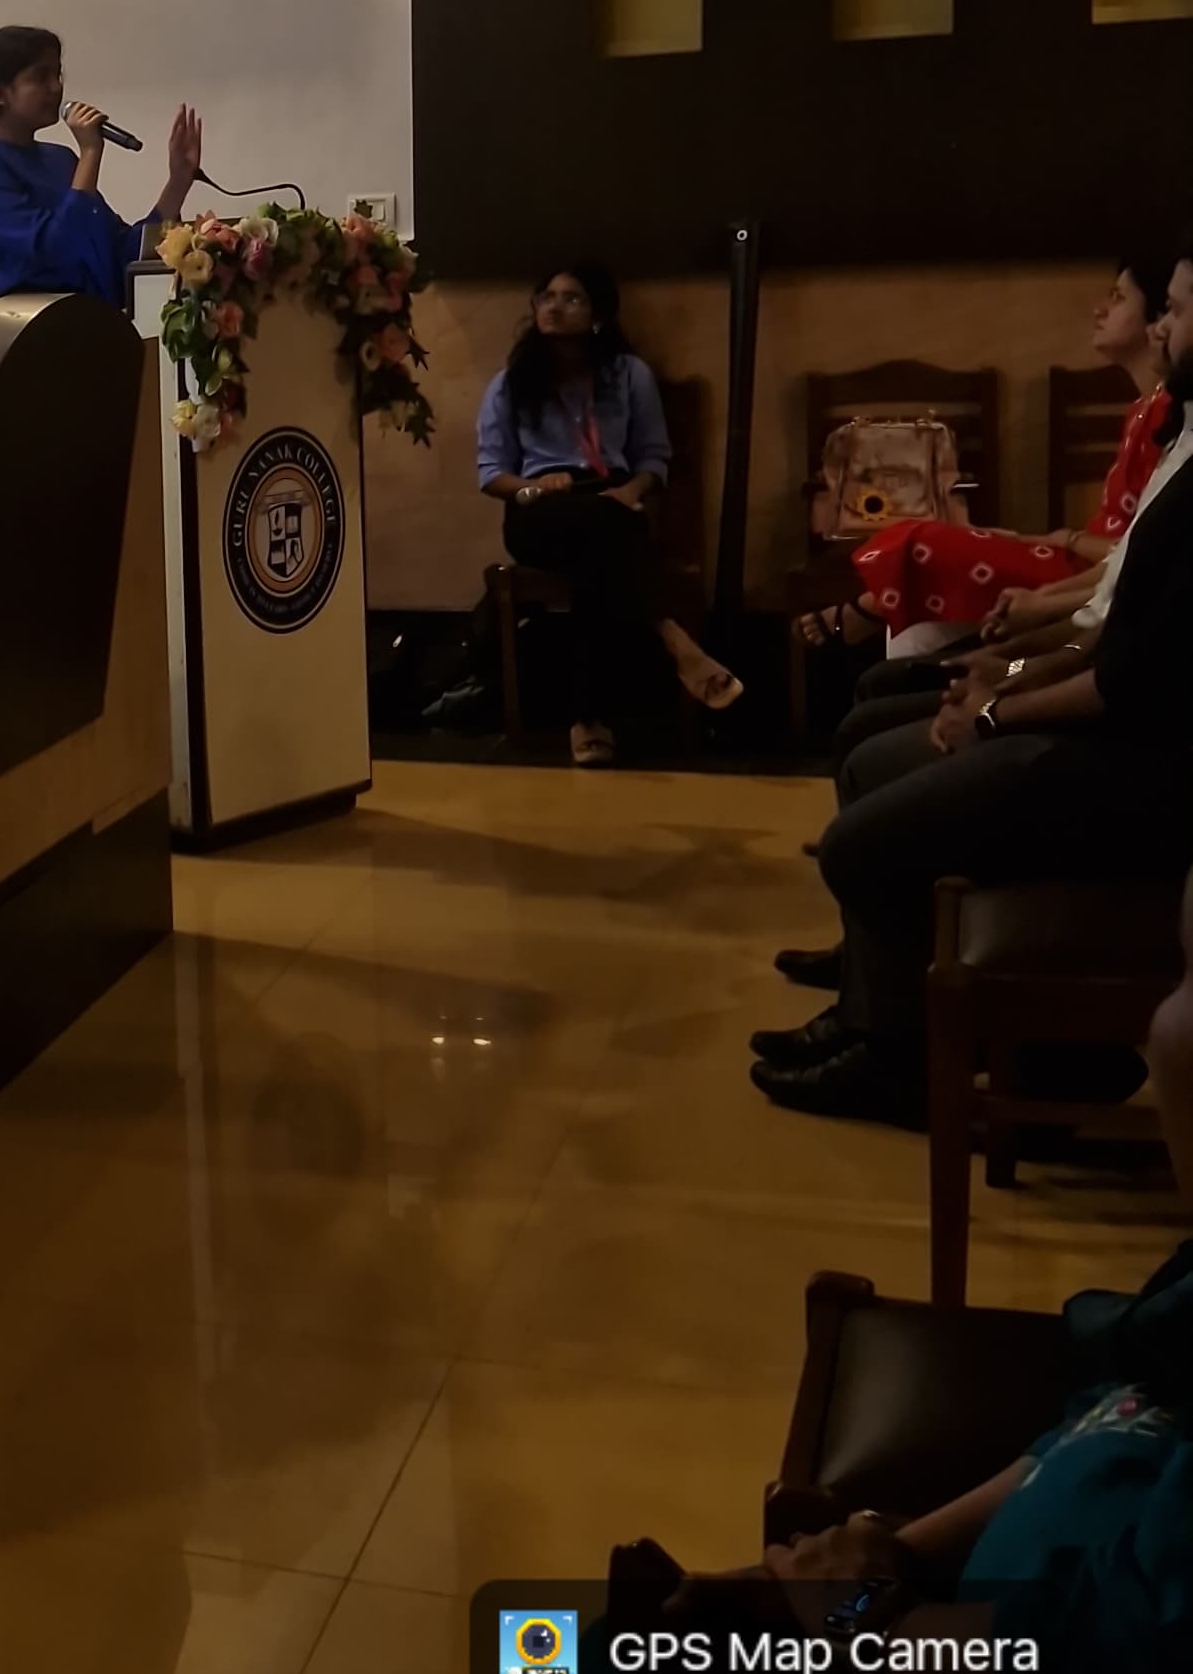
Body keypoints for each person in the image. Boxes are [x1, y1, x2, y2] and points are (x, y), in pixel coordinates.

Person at [756, 245, 1193, 1125]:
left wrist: (996, 711)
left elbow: (1127, 678)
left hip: (1149, 772)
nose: (1161, 328)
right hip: (1117, 724)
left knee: (860, 839)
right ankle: (880, 1015)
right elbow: (1116, 635)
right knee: (874, 743)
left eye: (1176, 311)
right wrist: (1004, 672)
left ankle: (899, 1059)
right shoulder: (1182, 435)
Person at [825, 253, 1176, 668]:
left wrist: (1062, 540)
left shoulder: (1169, 414)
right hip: (1081, 560)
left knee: (923, 543)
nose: (1099, 310)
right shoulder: (1142, 408)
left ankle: (868, 609)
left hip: (1091, 572)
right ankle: (896, 675)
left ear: (1159, 319)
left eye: (1118, 298)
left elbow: (1139, 549)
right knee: (923, 562)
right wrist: (1038, 539)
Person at [473, 263, 742, 766]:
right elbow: (491, 473)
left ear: (597, 316)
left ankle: (589, 719)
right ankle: (672, 638)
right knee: (607, 537)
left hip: (611, 500)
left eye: (571, 298)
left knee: (599, 556)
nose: (554, 307)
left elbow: (654, 459)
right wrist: (534, 487)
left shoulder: (628, 374)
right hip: (539, 509)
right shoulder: (509, 384)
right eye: (547, 297)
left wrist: (630, 491)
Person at [0, 24, 203, 310]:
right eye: (41, 77)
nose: (56, 87)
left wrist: (178, 182)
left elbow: (117, 250)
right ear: (1, 93)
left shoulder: (60, 159)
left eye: (57, 75)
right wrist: (90, 151)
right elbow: (56, 249)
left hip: (93, 321)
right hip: (29, 328)